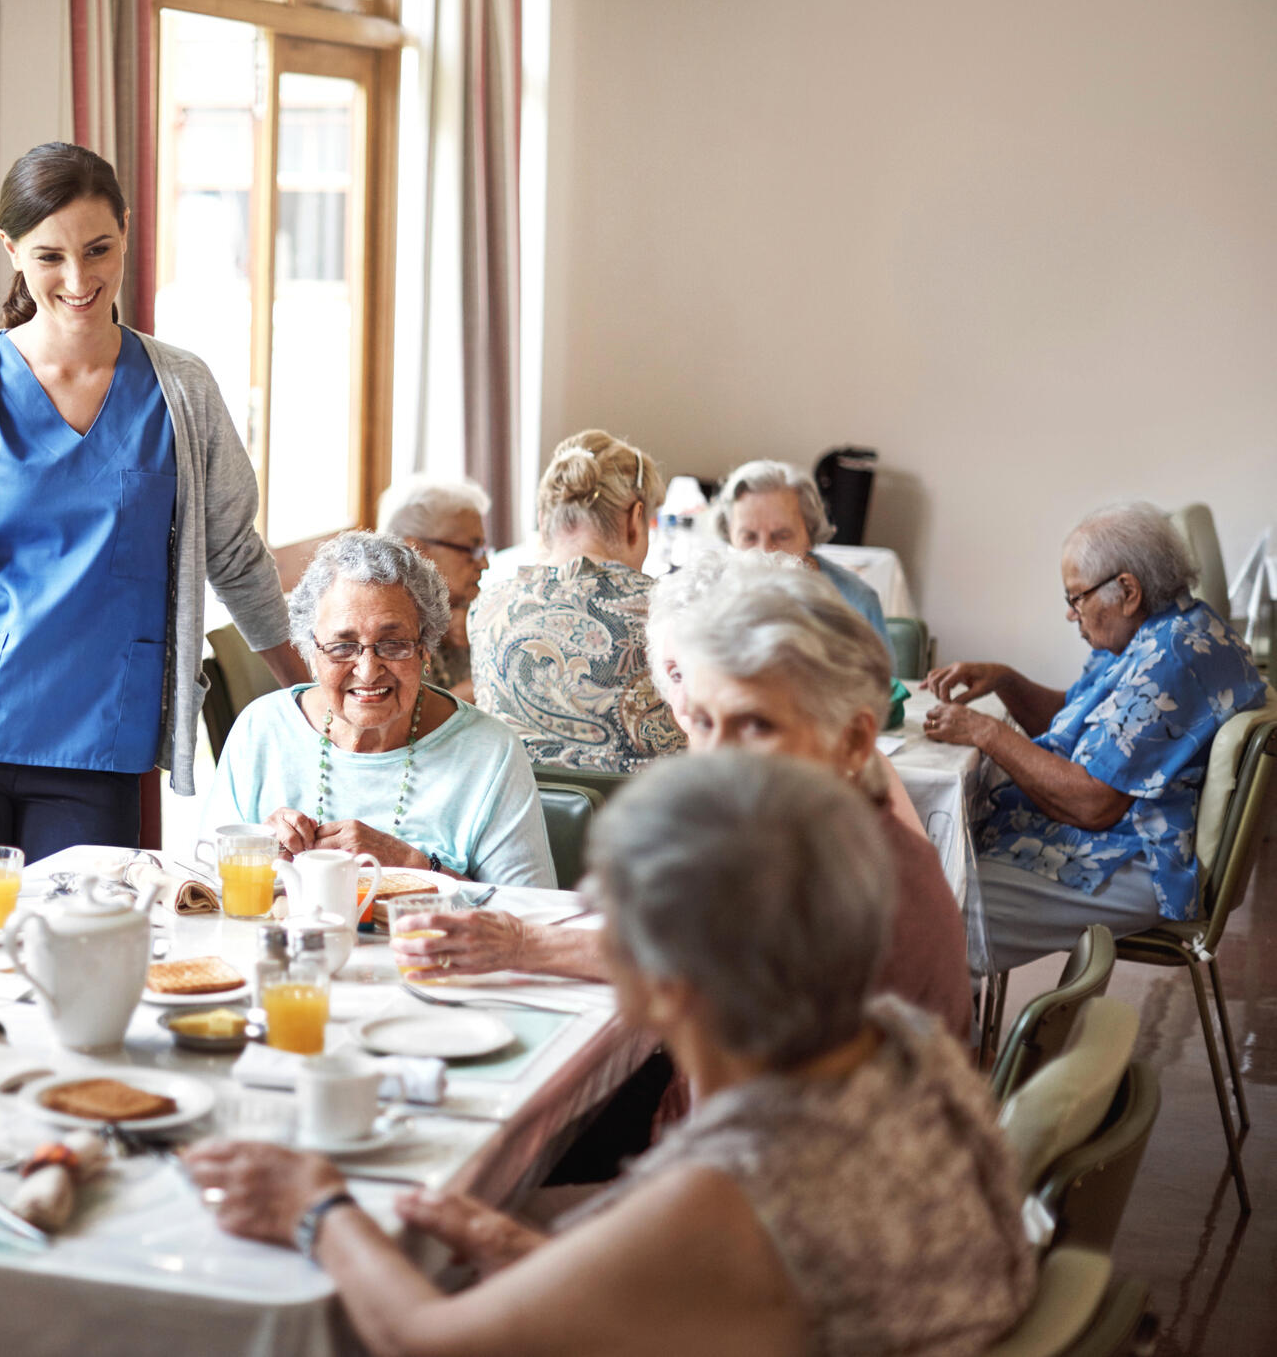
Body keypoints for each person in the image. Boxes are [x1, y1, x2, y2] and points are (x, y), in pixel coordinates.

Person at [187, 753, 1035, 1357]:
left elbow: (422, 1338)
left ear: (664, 980)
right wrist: (512, 1243)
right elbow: (711, 1289)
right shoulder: (895, 1047)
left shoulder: (733, 1190)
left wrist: (319, 1206)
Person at [0, 141, 305, 861]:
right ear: (12, 251)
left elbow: (233, 551)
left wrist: (303, 692)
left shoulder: (182, 391)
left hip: (97, 741)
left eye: (97, 249)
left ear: (127, 232)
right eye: (49, 257)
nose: (78, 278)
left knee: (81, 954)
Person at [403, 554, 970, 1044]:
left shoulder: (843, 886)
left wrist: (522, 941)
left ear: (851, 738)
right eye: (701, 721)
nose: (715, 762)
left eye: (755, 726)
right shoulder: (807, 834)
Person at [924, 501, 1265, 973]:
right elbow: (1079, 724)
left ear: (1126, 590)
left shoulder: (1171, 658)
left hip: (1135, 857)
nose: (1071, 615)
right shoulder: (1159, 629)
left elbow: (1092, 804)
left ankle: (916, 1033)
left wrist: (987, 731)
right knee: (928, 868)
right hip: (1117, 835)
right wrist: (1007, 681)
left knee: (933, 909)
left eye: (1076, 598)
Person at [204, 531, 551, 887]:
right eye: (342, 646)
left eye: (394, 644)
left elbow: (532, 912)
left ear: (426, 648)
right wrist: (254, 853)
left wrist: (410, 864)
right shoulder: (260, 730)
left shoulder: (489, 753)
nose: (368, 671)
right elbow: (200, 883)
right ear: (311, 652)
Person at [469, 431, 686, 772]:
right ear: (635, 520)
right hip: (650, 818)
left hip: (517, 817)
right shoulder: (671, 612)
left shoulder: (487, 608)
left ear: (544, 523)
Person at [711, 459, 890, 653]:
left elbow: (882, 682)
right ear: (729, 536)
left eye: (782, 536)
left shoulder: (856, 602)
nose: (765, 551)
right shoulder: (709, 597)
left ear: (810, 534)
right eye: (749, 537)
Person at [377, 475, 492, 701]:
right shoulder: (384, 628)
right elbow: (410, 724)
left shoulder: (466, 608)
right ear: (417, 551)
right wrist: (490, 680)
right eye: (471, 549)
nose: (484, 564)